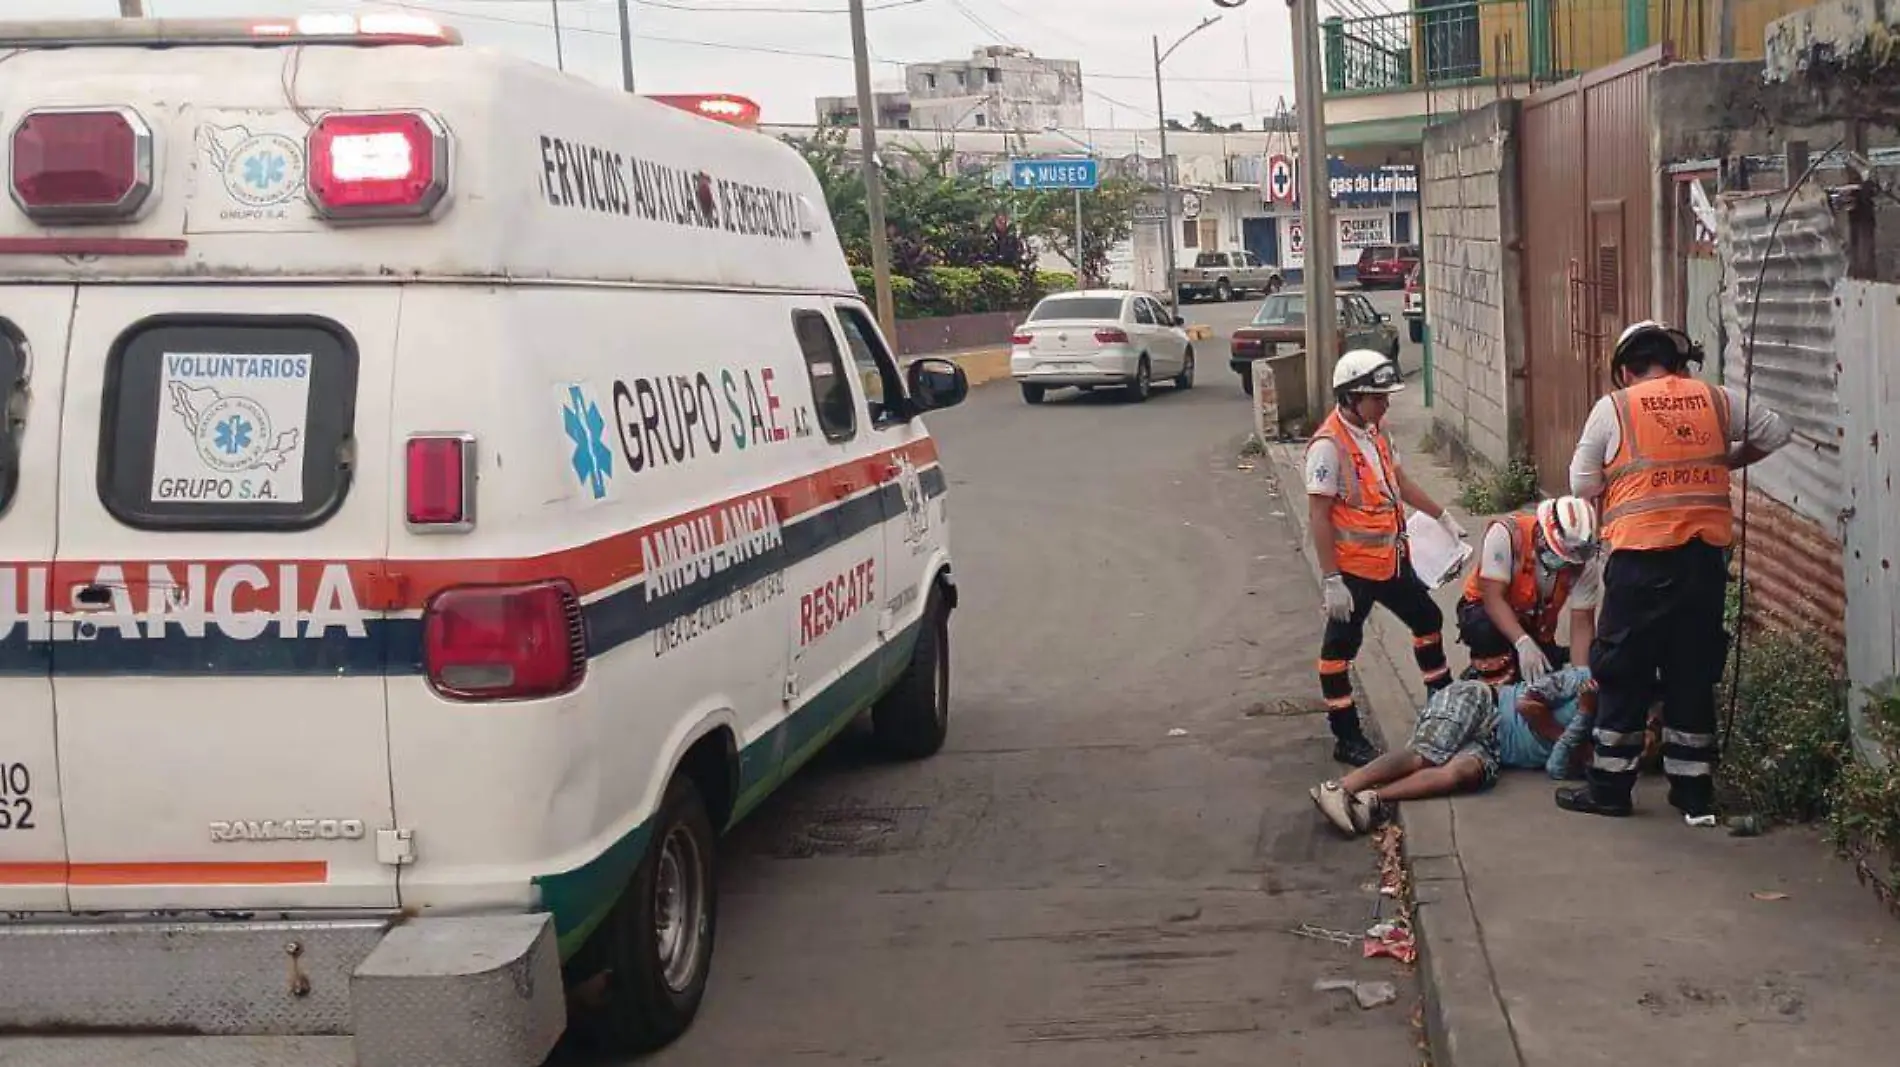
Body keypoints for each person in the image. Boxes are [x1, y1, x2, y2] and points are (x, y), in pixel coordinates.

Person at [1557, 320, 1791, 820]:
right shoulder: (1714, 399)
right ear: (1679, 364)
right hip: (1702, 563)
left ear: (1624, 370)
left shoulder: (1615, 406)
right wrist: (1723, 462)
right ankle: (1693, 792)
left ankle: (1611, 789)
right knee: (1691, 670)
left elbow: (1580, 483)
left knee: (1623, 671)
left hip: (1639, 561)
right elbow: (1778, 430)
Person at [1306, 349, 1465, 768]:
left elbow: (1400, 481)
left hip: (1391, 563)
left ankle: (1442, 705)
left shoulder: (1377, 431)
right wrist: (1330, 579)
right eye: (1378, 397)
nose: (1386, 403)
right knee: (1338, 652)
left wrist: (1441, 515)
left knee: (1428, 621)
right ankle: (1346, 735)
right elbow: (1318, 516)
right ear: (1351, 397)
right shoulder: (1328, 447)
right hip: (1354, 572)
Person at [1310, 667, 1597, 836]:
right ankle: (1339, 788)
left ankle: (1369, 799)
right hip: (1485, 701)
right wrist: (1570, 731)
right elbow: (1527, 703)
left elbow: (1557, 769)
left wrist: (1584, 717)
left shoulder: (1605, 741)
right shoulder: (1582, 678)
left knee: (1461, 773)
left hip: (1492, 747)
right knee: (1426, 754)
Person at [1456, 496, 1602, 686]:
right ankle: (1490, 676)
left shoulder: (1583, 563)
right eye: (1560, 555)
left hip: (1536, 621)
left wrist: (1581, 677)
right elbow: (1492, 598)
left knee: (1547, 677)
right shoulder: (1506, 534)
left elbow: (1582, 624)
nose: (1564, 564)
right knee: (1484, 630)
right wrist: (1522, 642)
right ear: (1542, 535)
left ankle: (1520, 659)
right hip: (1486, 611)